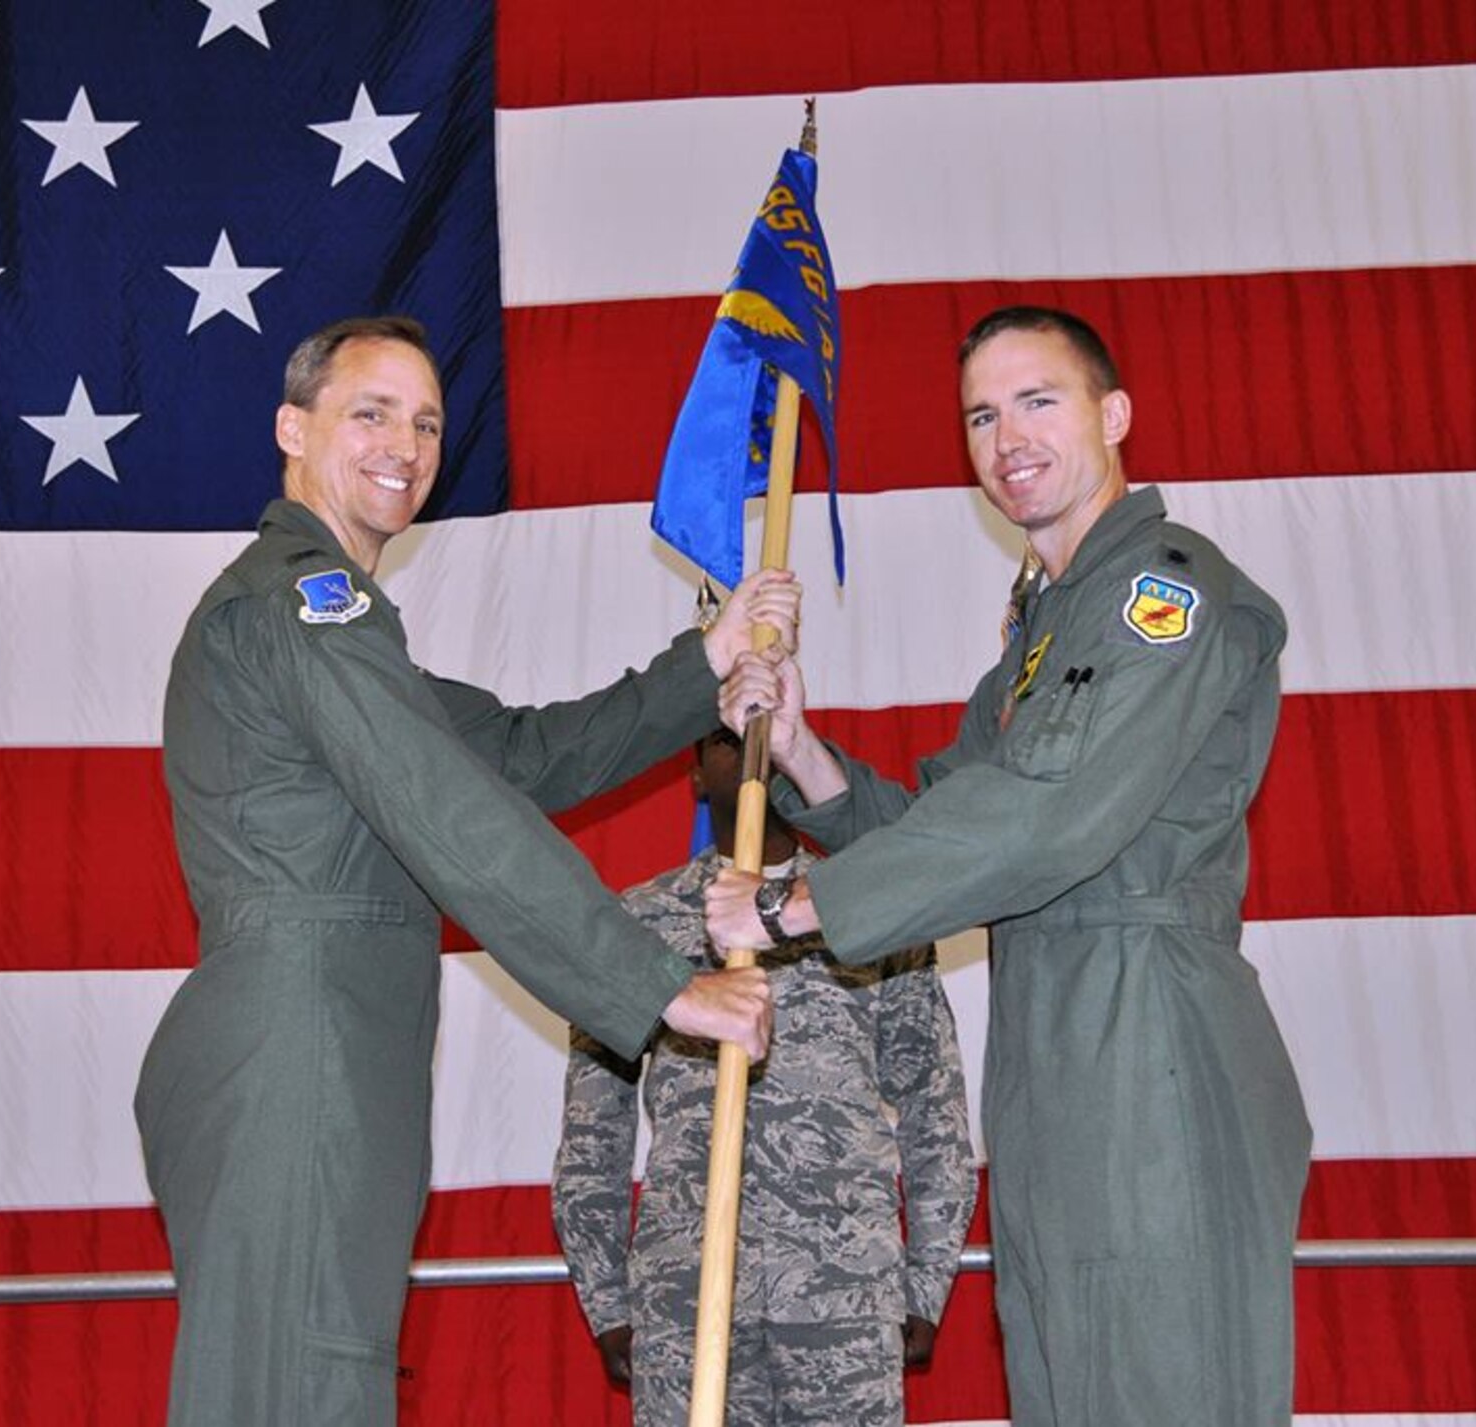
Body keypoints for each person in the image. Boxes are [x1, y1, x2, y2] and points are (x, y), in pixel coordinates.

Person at [134, 314, 795, 1427]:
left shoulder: (335, 627)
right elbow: (446, 810)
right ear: (292, 429)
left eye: (428, 421)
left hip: (322, 1035)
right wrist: (661, 987)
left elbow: (515, 754)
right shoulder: (304, 604)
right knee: (301, 1387)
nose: (406, 441)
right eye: (372, 412)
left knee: (302, 1377)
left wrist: (708, 662)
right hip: (301, 1036)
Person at [706, 307, 1313, 1423]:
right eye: (981, 414)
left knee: (1163, 1389)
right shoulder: (1047, 630)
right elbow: (950, 817)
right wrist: (799, 750)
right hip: (1056, 1044)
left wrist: (791, 907)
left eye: (1039, 399)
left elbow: (1046, 817)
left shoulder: (1161, 595)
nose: (1005, 435)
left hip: (1150, 1041)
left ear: (1112, 414)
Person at [551, 726, 977, 1427]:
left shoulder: (871, 912)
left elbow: (936, 1112)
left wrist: (924, 1285)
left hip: (844, 1302)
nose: (751, 754)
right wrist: (608, 1302)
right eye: (726, 740)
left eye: (766, 737)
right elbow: (593, 1132)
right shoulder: (640, 923)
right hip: (686, 1304)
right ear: (691, 775)